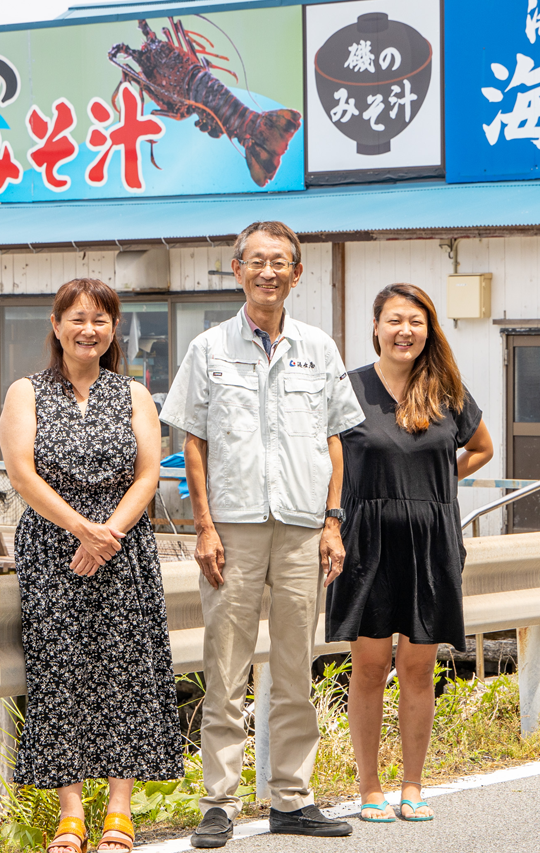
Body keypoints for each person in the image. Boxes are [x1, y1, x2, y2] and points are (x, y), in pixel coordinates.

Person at [160, 221, 365, 847]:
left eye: (280, 262)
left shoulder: (318, 348)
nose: (268, 271)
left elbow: (336, 440)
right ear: (237, 268)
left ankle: (291, 800)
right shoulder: (209, 349)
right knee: (225, 670)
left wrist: (333, 522)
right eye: (256, 261)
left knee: (297, 669)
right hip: (234, 530)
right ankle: (218, 803)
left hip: (305, 527)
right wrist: (205, 526)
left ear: (296, 274)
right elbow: (192, 441)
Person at [0, 278, 184, 853]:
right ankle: (71, 814)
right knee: (62, 673)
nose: (89, 330)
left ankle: (120, 812)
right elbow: (22, 474)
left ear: (114, 330)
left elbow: (148, 474)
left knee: (125, 671)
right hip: (55, 547)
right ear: (56, 327)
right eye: (77, 319)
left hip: (122, 544)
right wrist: (83, 529)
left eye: (100, 320)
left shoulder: (133, 394)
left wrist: (110, 535)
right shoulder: (26, 392)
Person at [325, 283, 494, 823]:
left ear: (429, 330)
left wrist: (439, 484)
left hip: (431, 539)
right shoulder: (346, 389)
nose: (405, 331)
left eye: (416, 322)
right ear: (375, 327)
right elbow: (323, 458)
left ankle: (414, 784)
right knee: (369, 666)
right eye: (395, 320)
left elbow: (482, 448)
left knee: (420, 667)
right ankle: (369, 786)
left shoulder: (446, 389)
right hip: (367, 540)